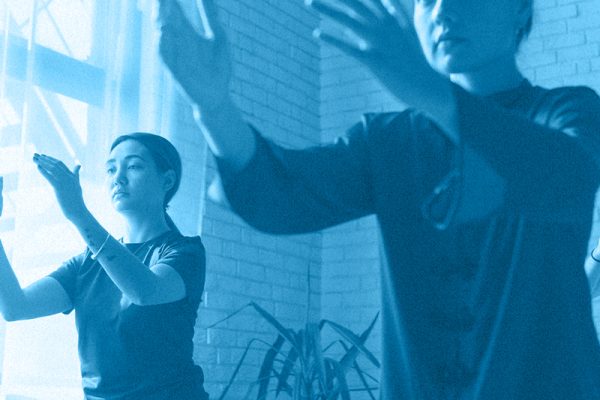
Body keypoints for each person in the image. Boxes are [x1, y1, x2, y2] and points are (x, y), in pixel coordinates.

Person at [158, 0, 600, 398]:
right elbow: (279, 194)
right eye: (426, 1)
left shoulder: (570, 111)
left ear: (521, 9)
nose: (442, 10)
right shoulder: (389, 139)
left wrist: (427, 89)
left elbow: (566, 177)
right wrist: (214, 107)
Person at [0, 133, 209, 400]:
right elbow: (15, 307)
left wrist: (78, 212)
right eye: (111, 169)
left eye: (133, 166)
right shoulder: (87, 262)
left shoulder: (185, 251)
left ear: (167, 180)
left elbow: (144, 291)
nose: (118, 178)